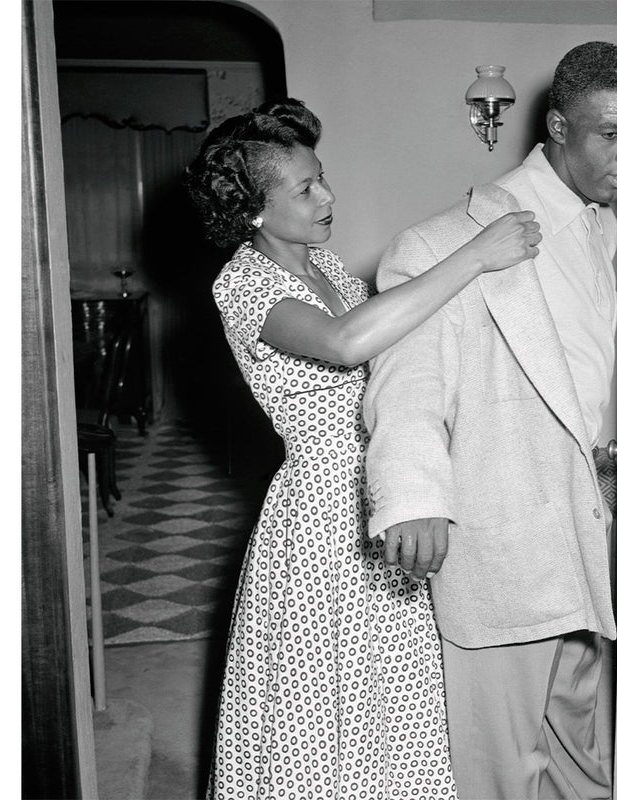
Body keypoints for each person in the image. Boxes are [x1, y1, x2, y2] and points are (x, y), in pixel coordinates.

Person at [183, 99, 541, 799]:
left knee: (393, 692)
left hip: (385, 485)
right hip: (320, 514)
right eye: (306, 188)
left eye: (324, 178)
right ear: (253, 211)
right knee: (321, 701)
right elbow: (348, 346)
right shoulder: (243, 283)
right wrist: (473, 257)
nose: (328, 196)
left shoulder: (333, 270)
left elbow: (398, 346)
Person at [362, 42, 617, 800]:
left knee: (575, 728)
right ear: (557, 126)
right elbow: (408, 385)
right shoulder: (437, 243)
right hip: (504, 529)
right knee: (501, 765)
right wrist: (414, 496)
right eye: (610, 135)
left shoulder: (603, 227)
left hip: (583, 516)